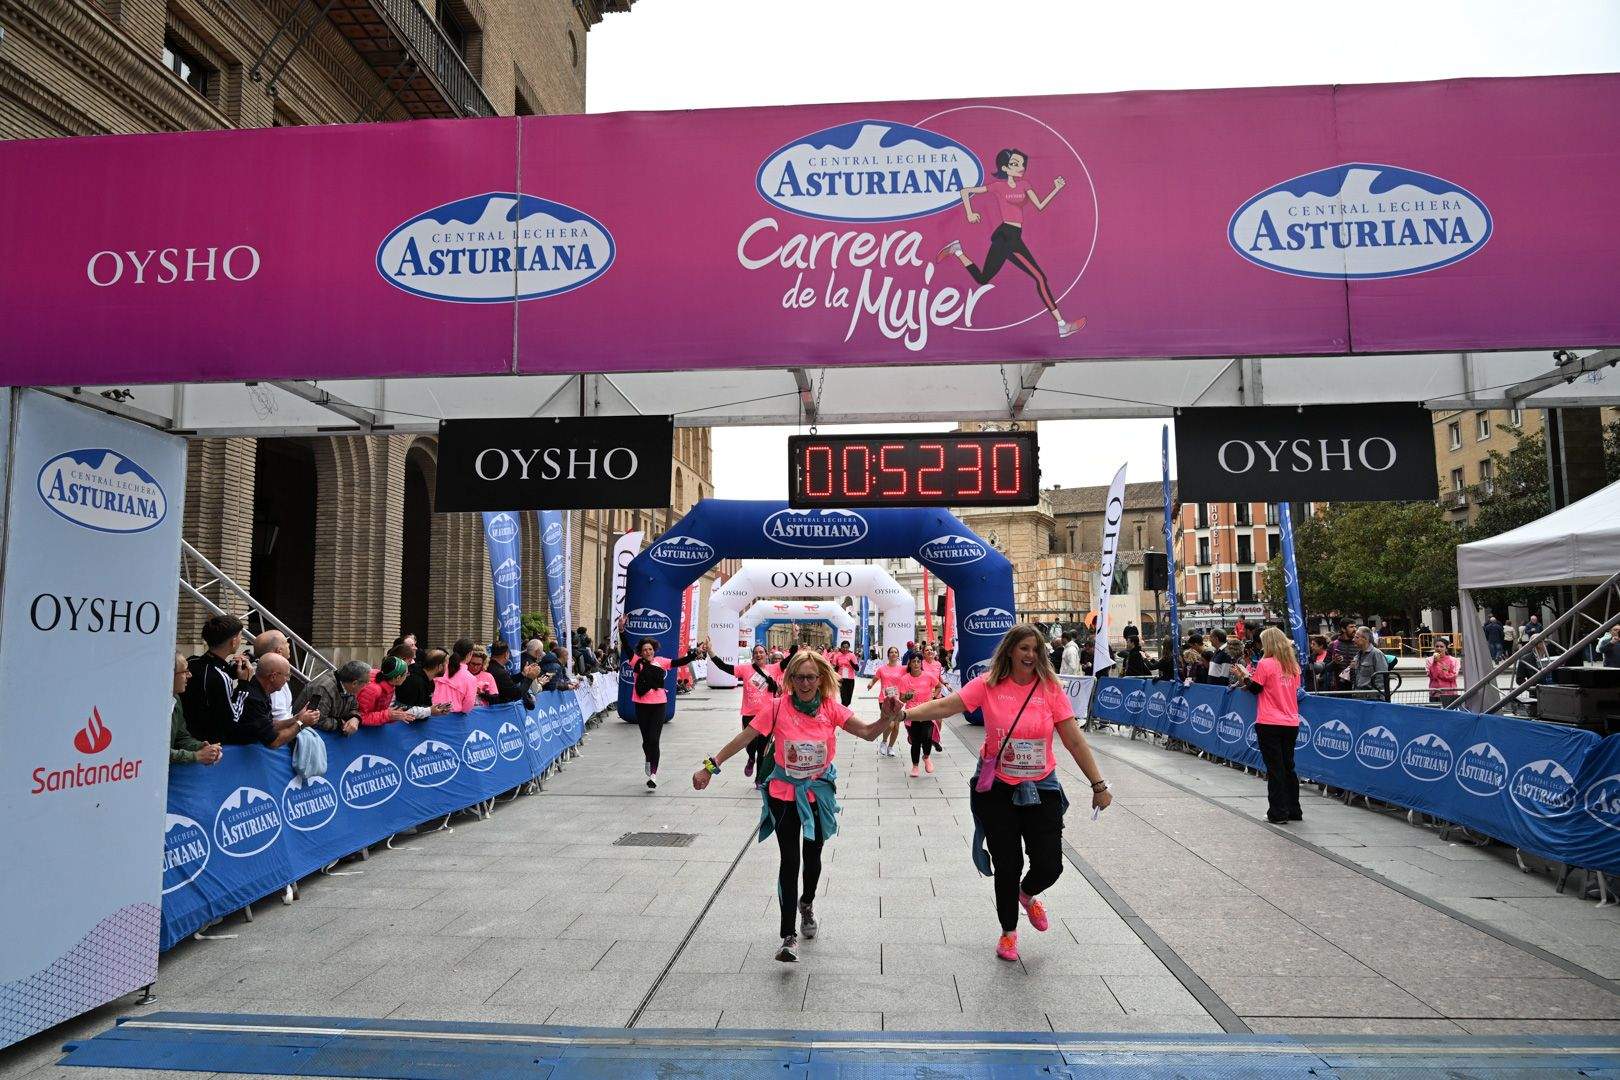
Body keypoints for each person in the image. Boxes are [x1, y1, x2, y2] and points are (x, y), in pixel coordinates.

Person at [886, 623, 1111, 962]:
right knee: (1008, 863)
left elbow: (1073, 739)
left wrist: (1098, 784)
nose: (1031, 655)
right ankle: (1008, 933)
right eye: (1024, 648)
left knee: (1050, 865)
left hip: (1041, 786)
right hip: (998, 788)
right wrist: (905, 713)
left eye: (1035, 649)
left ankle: (1027, 894)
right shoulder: (989, 684)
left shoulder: (1050, 688)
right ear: (1010, 651)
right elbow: (946, 706)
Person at [691, 649, 890, 963]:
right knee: (789, 861)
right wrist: (709, 767)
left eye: (811, 677)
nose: (805, 683)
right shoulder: (776, 707)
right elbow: (744, 738)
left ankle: (806, 903)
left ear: (820, 679)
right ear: (791, 679)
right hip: (783, 794)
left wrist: (887, 718)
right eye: (799, 677)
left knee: (812, 859)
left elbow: (866, 732)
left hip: (817, 795)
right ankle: (788, 936)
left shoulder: (831, 708)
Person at [938, 148, 1086, 339]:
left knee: (982, 279)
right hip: (1007, 236)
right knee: (1040, 278)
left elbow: (1040, 206)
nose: (1021, 167)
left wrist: (1056, 189)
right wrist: (970, 213)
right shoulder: (998, 187)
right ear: (1005, 168)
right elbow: (965, 191)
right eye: (1015, 164)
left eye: (1022, 164)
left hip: (1013, 236)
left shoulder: (1025, 185)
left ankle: (958, 250)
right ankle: (1062, 326)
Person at [1232, 627, 1302, 824]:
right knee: (1288, 766)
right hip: (1291, 720)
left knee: (1275, 768)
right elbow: (1293, 689)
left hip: (1269, 720)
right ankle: (1294, 809)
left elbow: (1256, 688)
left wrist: (1244, 676)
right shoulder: (1293, 666)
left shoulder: (1265, 664)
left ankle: (1278, 812)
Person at [630, 637, 706, 789]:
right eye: (645, 650)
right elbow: (626, 647)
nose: (648, 652)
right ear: (641, 652)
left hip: (659, 705)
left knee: (654, 739)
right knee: (646, 741)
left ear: (654, 650)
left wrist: (694, 654)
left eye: (650, 649)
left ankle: (653, 775)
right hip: (641, 705)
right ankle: (648, 758)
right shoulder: (636, 662)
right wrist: (621, 631)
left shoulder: (661, 661)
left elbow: (679, 662)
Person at [710, 645, 782, 781]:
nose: (759, 654)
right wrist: (710, 652)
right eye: (756, 653)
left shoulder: (774, 668)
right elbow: (723, 666)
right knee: (750, 745)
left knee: (763, 750)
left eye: (761, 652)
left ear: (766, 654)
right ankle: (751, 758)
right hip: (749, 714)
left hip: (768, 715)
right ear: (753, 656)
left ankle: (759, 779)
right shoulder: (745, 669)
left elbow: (791, 659)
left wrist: (796, 638)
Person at [182, 614, 254, 744]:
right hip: (209, 743)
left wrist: (229, 670)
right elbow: (233, 719)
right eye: (240, 636)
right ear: (233, 641)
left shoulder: (191, 662)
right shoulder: (220, 677)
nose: (240, 640)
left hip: (186, 735)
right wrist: (244, 683)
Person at [241, 654, 314, 748]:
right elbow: (274, 741)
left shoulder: (260, 690)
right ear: (273, 676)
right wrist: (301, 723)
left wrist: (297, 718)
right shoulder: (254, 698)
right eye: (287, 675)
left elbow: (270, 725)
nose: (288, 680)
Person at [292, 659, 371, 737]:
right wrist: (340, 723)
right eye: (365, 684)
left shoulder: (349, 687)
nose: (365, 687)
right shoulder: (323, 688)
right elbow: (317, 721)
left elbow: (354, 707)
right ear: (354, 683)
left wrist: (355, 718)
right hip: (304, 733)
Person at [170, 653, 222, 766]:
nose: (190, 675)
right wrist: (196, 756)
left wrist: (202, 747)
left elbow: (181, 737)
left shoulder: (176, 699)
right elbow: (157, 751)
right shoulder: (152, 707)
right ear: (170, 674)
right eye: (185, 671)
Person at [896, 654, 942, 777]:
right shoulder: (904, 679)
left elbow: (939, 686)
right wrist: (907, 697)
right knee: (916, 741)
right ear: (910, 663)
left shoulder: (928, 676)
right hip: (912, 713)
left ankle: (926, 757)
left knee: (927, 737)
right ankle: (915, 766)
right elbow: (902, 699)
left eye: (918, 661)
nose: (916, 664)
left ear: (921, 663)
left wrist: (933, 696)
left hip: (927, 711)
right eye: (913, 661)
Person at [867, 645, 907, 759]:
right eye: (891, 652)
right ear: (888, 655)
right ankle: (884, 742)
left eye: (895, 652)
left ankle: (890, 747)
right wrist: (870, 684)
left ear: (898, 655)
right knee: (889, 724)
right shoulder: (882, 669)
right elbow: (875, 679)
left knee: (896, 726)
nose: (893, 654)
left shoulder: (903, 669)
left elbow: (911, 676)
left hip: (897, 699)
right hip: (884, 699)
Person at [253, 630, 295, 721]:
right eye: (286, 642)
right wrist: (300, 721)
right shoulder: (273, 678)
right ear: (279, 651)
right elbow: (279, 718)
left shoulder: (260, 671)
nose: (289, 644)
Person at [434, 638, 482, 714]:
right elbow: (467, 707)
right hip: (453, 716)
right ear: (469, 654)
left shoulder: (440, 669)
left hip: (432, 714)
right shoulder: (470, 678)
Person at [1351, 627, 1389, 694]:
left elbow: (1381, 678)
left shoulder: (1377, 654)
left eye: (1356, 637)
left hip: (1372, 697)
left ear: (1365, 639)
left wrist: (1377, 696)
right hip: (1358, 696)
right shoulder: (1357, 656)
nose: (1353, 639)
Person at [831, 641, 861, 706]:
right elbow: (835, 667)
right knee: (843, 698)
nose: (845, 649)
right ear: (841, 647)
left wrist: (850, 662)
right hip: (841, 679)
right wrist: (835, 677)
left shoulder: (852, 655)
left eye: (847, 647)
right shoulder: (837, 655)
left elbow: (857, 668)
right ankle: (844, 710)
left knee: (848, 699)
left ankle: (845, 708)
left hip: (850, 679)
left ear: (849, 648)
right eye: (843, 647)